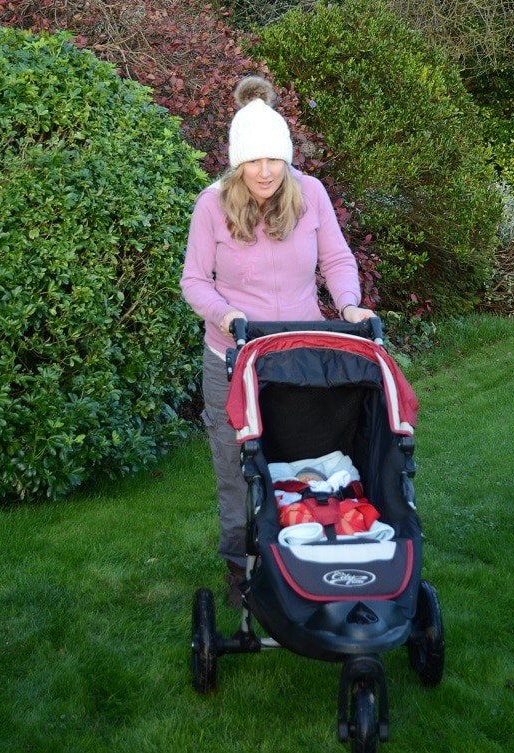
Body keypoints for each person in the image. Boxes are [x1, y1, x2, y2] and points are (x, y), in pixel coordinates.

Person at [180, 75, 375, 607]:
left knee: (299, 457)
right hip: (234, 357)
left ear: (287, 158)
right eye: (254, 160)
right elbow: (194, 280)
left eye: (275, 160)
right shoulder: (211, 205)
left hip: (298, 356)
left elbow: (335, 259)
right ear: (236, 162)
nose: (265, 171)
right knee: (238, 469)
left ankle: (308, 551)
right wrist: (224, 314)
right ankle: (241, 570)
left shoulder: (309, 194)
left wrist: (349, 303)